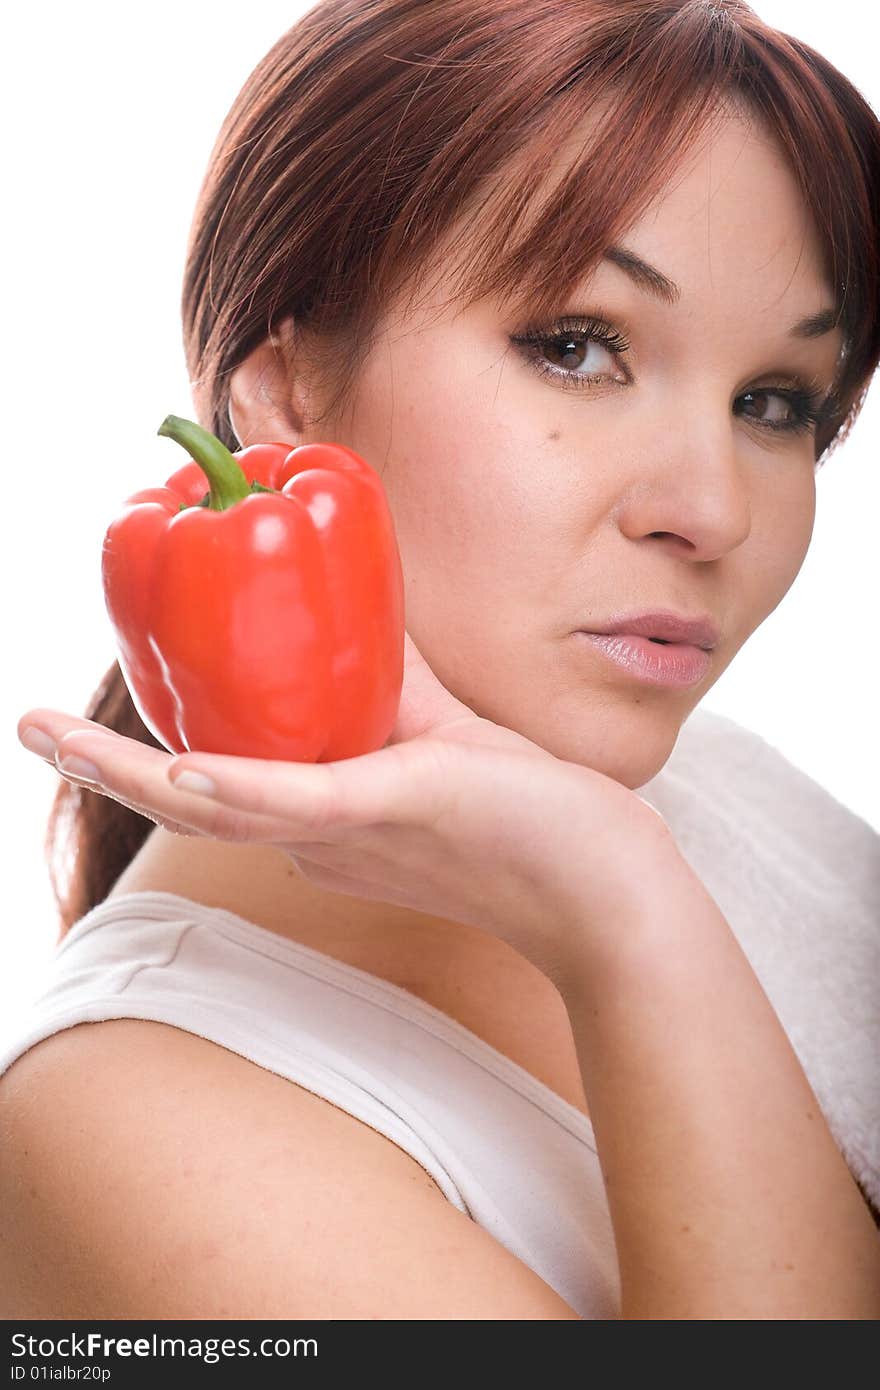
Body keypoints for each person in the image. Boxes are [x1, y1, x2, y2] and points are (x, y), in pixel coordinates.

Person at [2, 0, 879, 1319]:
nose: (716, 508)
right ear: (286, 395)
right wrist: (623, 918)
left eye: (776, 402)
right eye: (579, 347)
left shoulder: (718, 784)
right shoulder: (121, 1123)